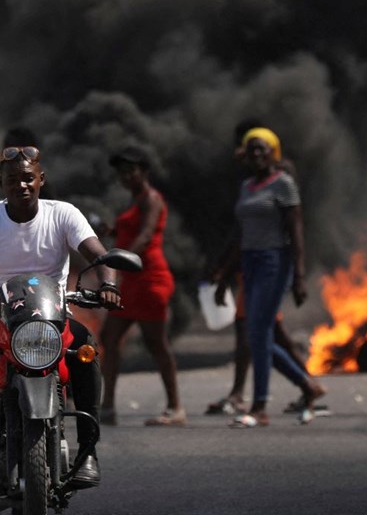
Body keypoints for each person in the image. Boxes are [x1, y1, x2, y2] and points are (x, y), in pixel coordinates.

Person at [0, 144, 119, 494]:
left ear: (41, 180)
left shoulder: (63, 214)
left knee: (85, 347)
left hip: (52, 318)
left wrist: (109, 283)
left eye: (27, 179)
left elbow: (96, 252)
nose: (20, 186)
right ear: (0, 183)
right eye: (11, 181)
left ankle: (88, 451)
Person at [212, 127, 325, 427]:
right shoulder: (248, 186)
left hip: (274, 261)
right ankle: (306, 385)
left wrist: (299, 276)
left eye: (262, 149)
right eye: (252, 150)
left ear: (273, 152)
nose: (257, 154)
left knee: (258, 333)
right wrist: (224, 275)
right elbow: (242, 234)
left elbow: (296, 231)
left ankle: (260, 406)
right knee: (256, 335)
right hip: (249, 261)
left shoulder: (284, 185)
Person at [99, 145, 184, 427]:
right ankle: (107, 407)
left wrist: (122, 258)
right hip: (131, 280)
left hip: (149, 279)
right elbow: (130, 230)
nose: (125, 176)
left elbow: (146, 234)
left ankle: (175, 408)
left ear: (144, 172)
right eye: (122, 172)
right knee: (109, 338)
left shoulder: (151, 199)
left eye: (131, 170)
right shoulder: (135, 201)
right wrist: (111, 232)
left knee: (156, 343)